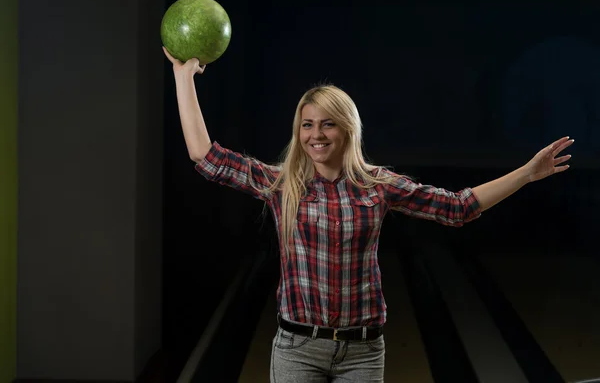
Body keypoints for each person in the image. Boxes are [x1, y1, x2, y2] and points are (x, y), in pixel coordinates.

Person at [163, 47, 574, 382]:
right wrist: (184, 77)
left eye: (327, 124)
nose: (316, 135)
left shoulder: (378, 185)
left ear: (347, 130)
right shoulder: (281, 183)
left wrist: (527, 173)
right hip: (297, 350)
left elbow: (458, 207)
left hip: (362, 352)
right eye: (307, 125)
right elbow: (205, 156)